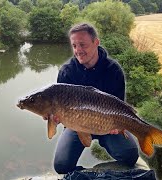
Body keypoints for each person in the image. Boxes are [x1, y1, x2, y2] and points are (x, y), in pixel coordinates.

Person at [53, 23, 139, 174]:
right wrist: (56, 117)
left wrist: (116, 126)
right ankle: (86, 175)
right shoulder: (67, 72)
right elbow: (60, 107)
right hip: (77, 124)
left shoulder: (113, 70)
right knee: (61, 166)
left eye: (82, 45)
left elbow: (119, 107)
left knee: (130, 156)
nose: (78, 50)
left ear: (96, 43)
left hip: (106, 124)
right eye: (74, 45)